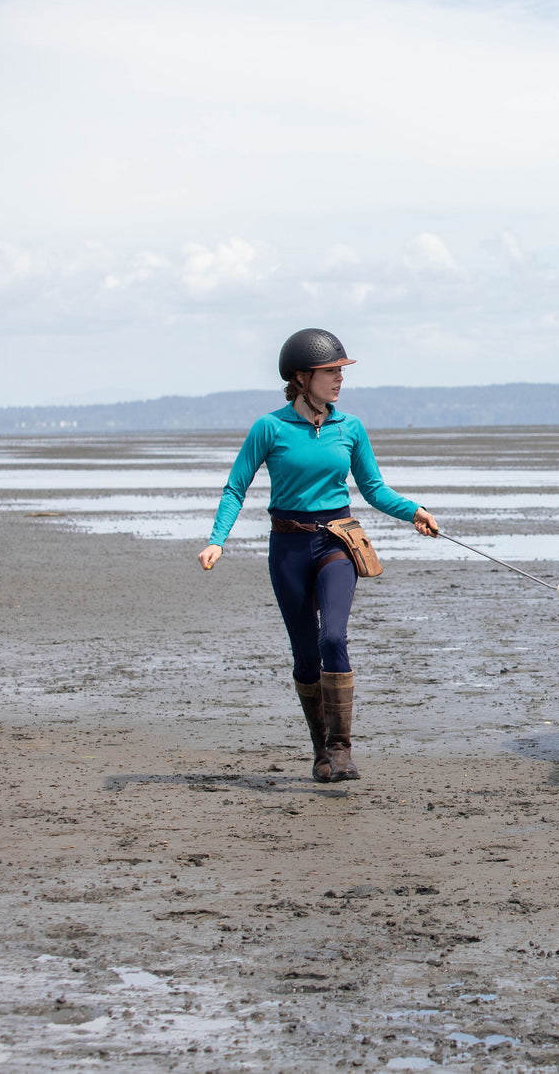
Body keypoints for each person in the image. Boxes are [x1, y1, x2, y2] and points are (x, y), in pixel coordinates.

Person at [198, 328, 440, 783]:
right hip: (287, 546)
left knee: (333, 639)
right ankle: (320, 752)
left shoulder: (350, 428)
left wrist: (414, 512)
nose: (339, 380)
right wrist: (217, 539)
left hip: (337, 543)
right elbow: (236, 487)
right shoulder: (269, 428)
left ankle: (342, 750)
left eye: (340, 372)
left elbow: (372, 489)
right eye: (330, 372)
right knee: (306, 656)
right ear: (302, 376)